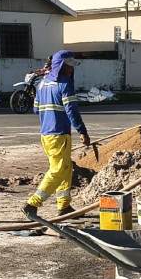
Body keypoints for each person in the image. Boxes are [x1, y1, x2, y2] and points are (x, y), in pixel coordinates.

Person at [23, 50, 91, 218]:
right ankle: (32, 204)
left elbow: (35, 109)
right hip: (59, 134)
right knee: (58, 170)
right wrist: (82, 131)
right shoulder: (64, 84)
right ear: (61, 66)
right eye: (69, 66)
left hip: (46, 135)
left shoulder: (42, 84)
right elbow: (72, 110)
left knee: (66, 169)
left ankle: (64, 206)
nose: (71, 70)